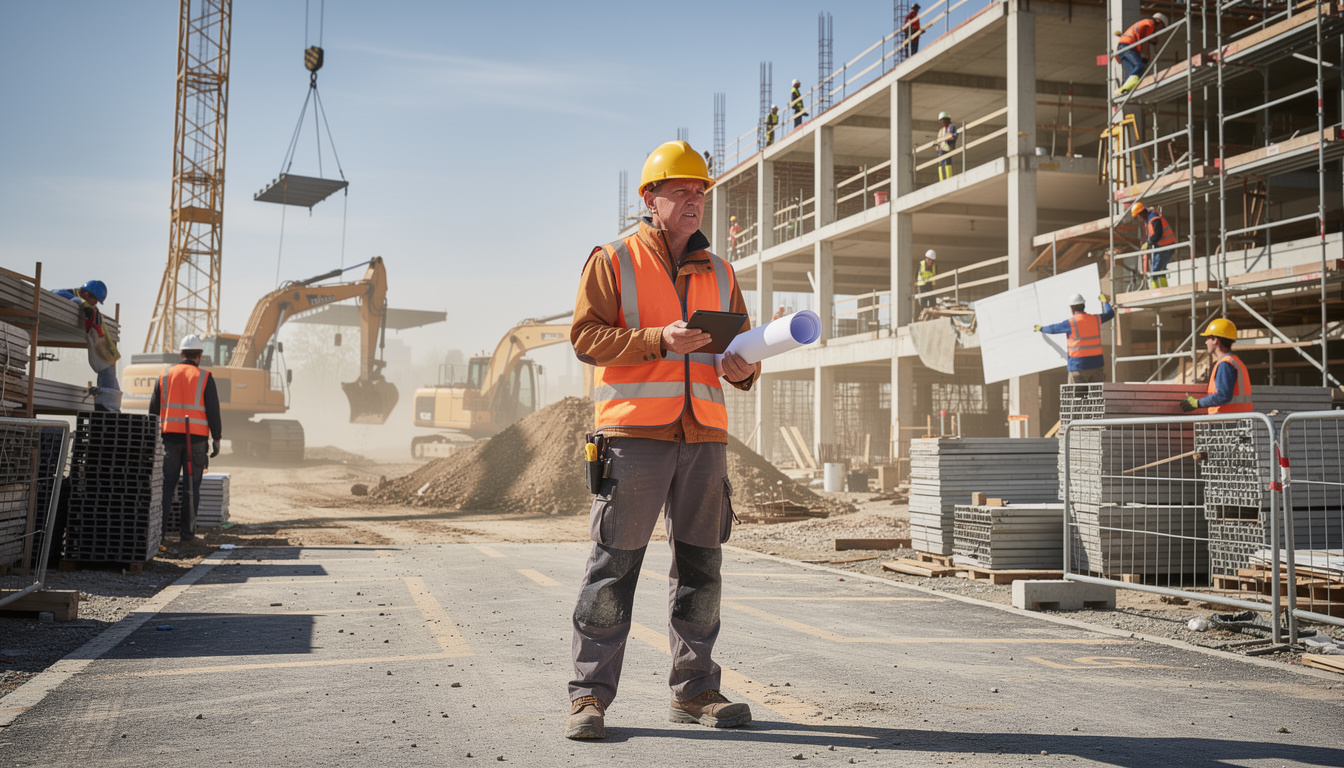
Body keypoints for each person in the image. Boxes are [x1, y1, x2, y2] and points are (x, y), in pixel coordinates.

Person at [567, 140, 760, 741]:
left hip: (704, 436)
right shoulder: (613, 260)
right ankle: (589, 695)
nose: (694, 201)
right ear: (651, 199)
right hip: (634, 436)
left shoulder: (722, 272)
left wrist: (744, 368)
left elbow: (741, 351)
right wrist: (657, 339)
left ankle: (696, 689)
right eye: (681, 191)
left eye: (700, 192)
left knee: (702, 568)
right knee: (613, 567)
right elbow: (586, 337)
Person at [149, 334, 222, 543]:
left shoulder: (164, 375)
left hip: (168, 438)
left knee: (166, 485)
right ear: (199, 355)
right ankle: (187, 535)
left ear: (181, 353)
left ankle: (158, 535)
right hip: (196, 441)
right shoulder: (205, 377)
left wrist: (152, 438)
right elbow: (213, 411)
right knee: (191, 487)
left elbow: (153, 411)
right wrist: (217, 438)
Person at [53, 280, 121, 412]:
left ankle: (109, 406)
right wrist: (80, 302)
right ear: (86, 294)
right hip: (106, 404)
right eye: (95, 300)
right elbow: (54, 293)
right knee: (106, 370)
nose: (95, 304)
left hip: (107, 393)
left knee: (108, 369)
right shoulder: (67, 294)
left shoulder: (93, 310)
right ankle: (108, 406)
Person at [1034, 293, 1116, 384]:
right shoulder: (1096, 319)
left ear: (1072, 308)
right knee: (1096, 393)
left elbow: (1052, 329)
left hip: (1078, 367)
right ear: (1084, 306)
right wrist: (1105, 302)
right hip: (1097, 366)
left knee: (1076, 393)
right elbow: (1110, 314)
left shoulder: (1070, 323)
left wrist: (1041, 328)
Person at [1180, 319, 1253, 414]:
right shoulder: (1236, 362)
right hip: (1238, 418)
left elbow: (1223, 396)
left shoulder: (1225, 364)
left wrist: (1197, 403)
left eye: (1207, 338)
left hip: (1228, 419)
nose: (1206, 342)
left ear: (1215, 340)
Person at [1114, 12, 1169, 96]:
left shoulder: (1145, 22)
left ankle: (1123, 89)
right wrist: (1145, 58)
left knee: (1133, 69)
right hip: (1128, 46)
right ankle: (1128, 87)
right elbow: (1145, 41)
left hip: (1122, 47)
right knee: (1139, 65)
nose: (1160, 30)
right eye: (1161, 28)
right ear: (1160, 22)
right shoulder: (1151, 24)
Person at [1131, 201, 1176, 288]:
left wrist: (1149, 243)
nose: (1139, 218)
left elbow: (1158, 234)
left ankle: (1156, 291)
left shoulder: (1153, 218)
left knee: (1155, 271)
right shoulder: (1149, 218)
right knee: (1160, 270)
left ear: (1141, 213)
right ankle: (1164, 290)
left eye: (1138, 215)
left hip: (1166, 246)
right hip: (1163, 245)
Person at [936, 112, 958, 181]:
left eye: (944, 120)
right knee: (941, 164)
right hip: (941, 150)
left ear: (948, 119)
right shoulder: (941, 130)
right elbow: (939, 139)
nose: (942, 122)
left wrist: (947, 138)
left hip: (947, 148)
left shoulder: (951, 127)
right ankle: (942, 180)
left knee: (947, 163)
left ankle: (948, 178)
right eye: (941, 120)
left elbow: (954, 136)